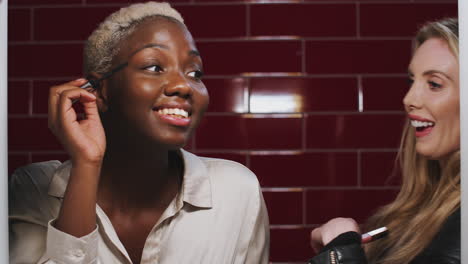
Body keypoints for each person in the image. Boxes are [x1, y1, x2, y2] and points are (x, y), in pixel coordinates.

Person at [9, 2, 269, 263]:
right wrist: (87, 163)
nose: (184, 85)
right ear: (99, 91)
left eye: (195, 72)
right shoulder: (32, 188)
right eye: (155, 67)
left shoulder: (236, 190)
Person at [308, 17, 460, 264]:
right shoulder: (421, 210)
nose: (409, 98)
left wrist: (340, 250)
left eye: (434, 84)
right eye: (412, 81)